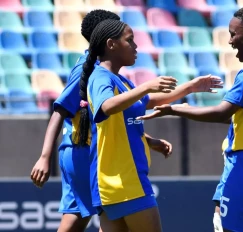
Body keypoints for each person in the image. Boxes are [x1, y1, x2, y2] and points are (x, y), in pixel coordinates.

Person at [138, 5, 243, 232]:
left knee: (228, 228)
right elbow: (240, 117)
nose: (230, 41)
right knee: (220, 219)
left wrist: (176, 110)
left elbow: (222, 113)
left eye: (234, 34)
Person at [30, 10, 173, 232]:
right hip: (84, 152)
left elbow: (108, 120)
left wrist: (148, 140)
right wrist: (44, 157)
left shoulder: (101, 69)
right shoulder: (90, 71)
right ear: (109, 40)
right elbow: (60, 111)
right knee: (91, 218)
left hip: (84, 150)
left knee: (82, 221)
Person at [76, 18, 223, 232]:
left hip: (114, 180)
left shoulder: (121, 81)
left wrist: (189, 88)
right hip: (125, 179)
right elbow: (106, 106)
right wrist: (145, 87)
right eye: (130, 40)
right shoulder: (100, 77)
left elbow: (148, 101)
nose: (136, 46)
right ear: (111, 44)